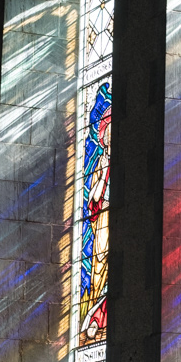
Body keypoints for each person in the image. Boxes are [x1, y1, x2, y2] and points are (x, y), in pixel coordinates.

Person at [81, 106, 111, 341]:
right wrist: (103, 173)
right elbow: (93, 199)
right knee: (100, 263)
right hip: (105, 216)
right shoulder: (101, 162)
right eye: (109, 132)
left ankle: (101, 317)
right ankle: (94, 314)